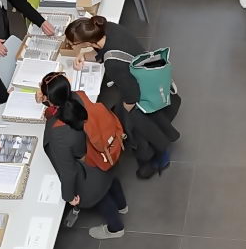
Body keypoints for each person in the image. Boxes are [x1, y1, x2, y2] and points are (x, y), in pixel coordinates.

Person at [64, 16, 180, 179]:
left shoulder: (113, 65)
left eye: (74, 44)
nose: (72, 45)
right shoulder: (109, 28)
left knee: (134, 125)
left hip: (139, 93)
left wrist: (124, 114)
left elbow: (132, 97)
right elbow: (106, 50)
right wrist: (85, 56)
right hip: (148, 77)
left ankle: (156, 158)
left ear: (87, 42)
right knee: (128, 117)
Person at [40, 72, 129, 240]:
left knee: (100, 197)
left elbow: (68, 171)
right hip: (106, 153)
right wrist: (47, 100)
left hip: (91, 167)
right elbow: (64, 102)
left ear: (50, 99)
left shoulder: (58, 133)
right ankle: (122, 206)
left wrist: (68, 196)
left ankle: (116, 228)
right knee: (111, 181)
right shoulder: (79, 96)